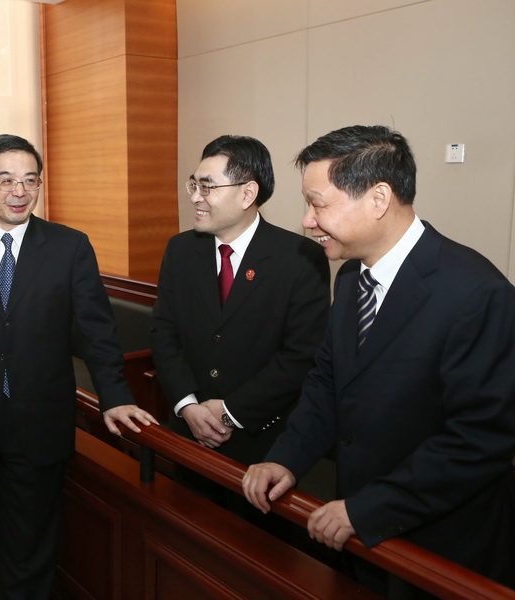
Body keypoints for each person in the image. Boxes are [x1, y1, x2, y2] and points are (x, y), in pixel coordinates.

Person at [242, 125, 515, 591]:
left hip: (439, 546)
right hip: (359, 529)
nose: (307, 221)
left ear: (378, 198)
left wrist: (370, 508)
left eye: (318, 204)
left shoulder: (477, 293)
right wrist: (285, 459)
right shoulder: (351, 276)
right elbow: (327, 383)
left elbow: (479, 439)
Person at [0, 133, 157, 600]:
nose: (19, 191)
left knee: (31, 543)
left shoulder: (69, 246)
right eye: (6, 180)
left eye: (30, 180)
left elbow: (97, 331)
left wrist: (115, 397)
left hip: (40, 417)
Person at [150, 135, 330, 479]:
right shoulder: (180, 250)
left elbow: (301, 354)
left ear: (247, 194)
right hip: (189, 430)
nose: (195, 197)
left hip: (262, 442)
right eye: (194, 184)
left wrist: (231, 411)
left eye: (207, 187)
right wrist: (187, 405)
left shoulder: (300, 258)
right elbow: (164, 333)